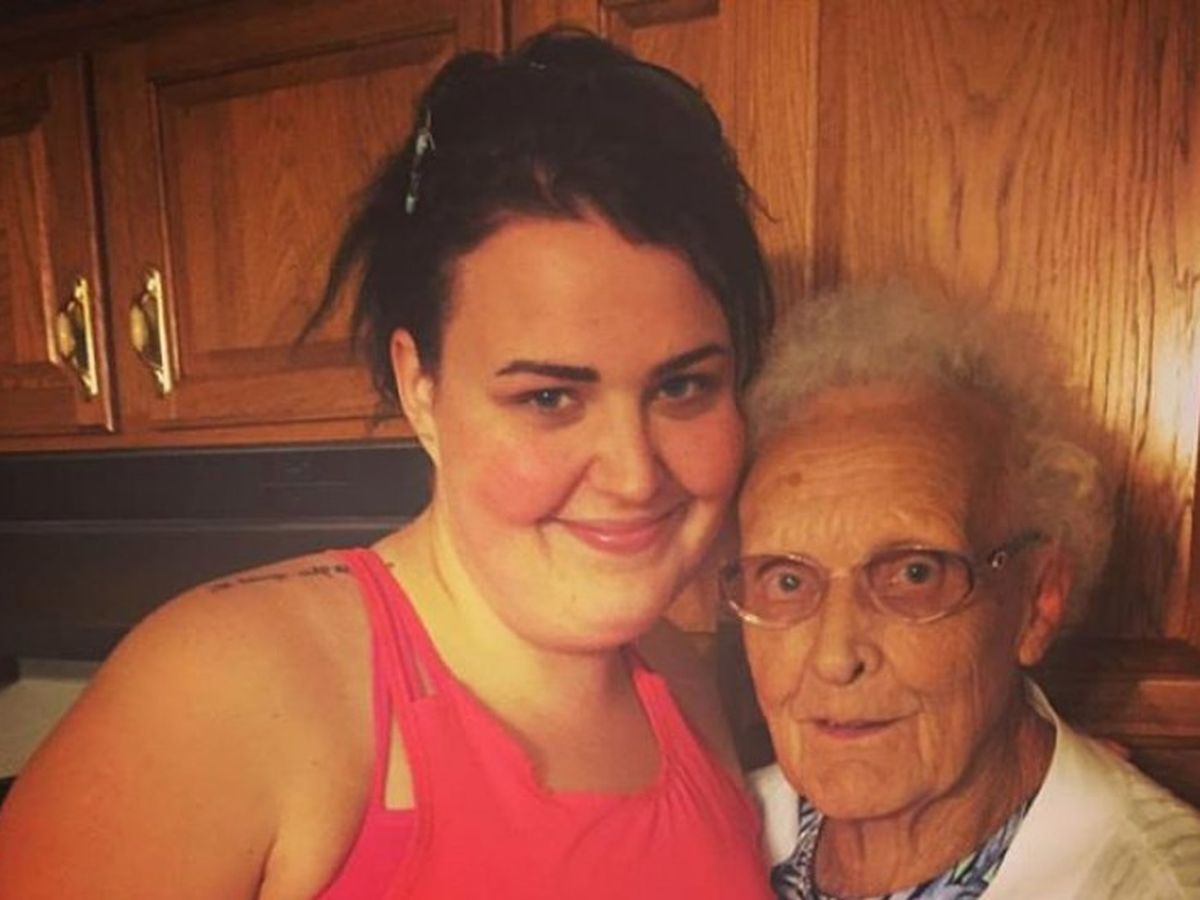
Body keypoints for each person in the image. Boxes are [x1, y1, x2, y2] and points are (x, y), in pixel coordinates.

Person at [0, 30, 776, 899]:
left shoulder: (681, 675)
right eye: (549, 398)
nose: (635, 475)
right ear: (420, 388)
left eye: (683, 386)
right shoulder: (225, 691)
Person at [731, 286, 1200, 899]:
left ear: (1037, 601)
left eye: (914, 574)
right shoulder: (717, 826)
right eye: (787, 580)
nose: (835, 657)